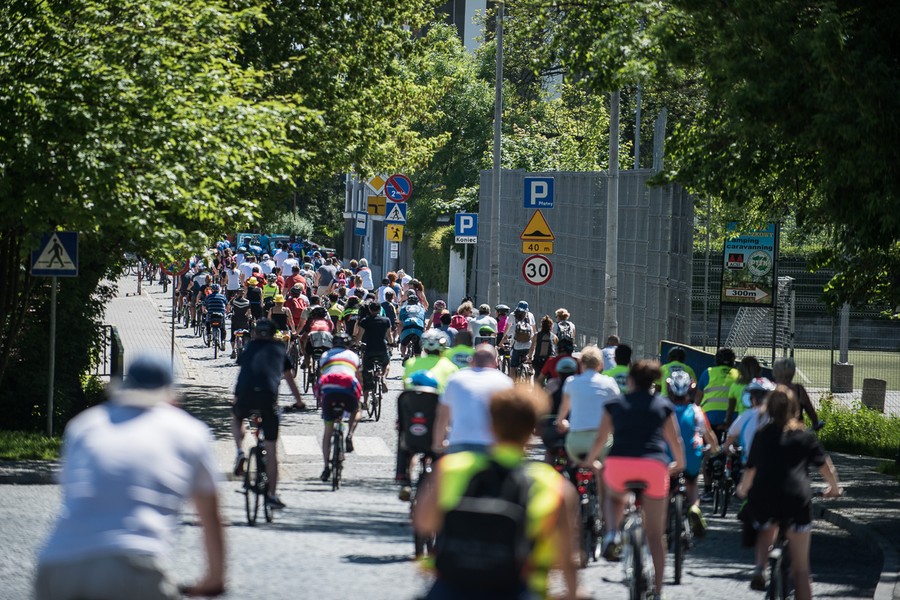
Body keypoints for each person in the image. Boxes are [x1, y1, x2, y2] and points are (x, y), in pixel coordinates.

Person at [35, 356, 225, 600]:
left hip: (57, 565)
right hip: (132, 567)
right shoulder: (189, 431)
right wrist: (214, 579)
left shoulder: (84, 425)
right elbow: (210, 515)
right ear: (171, 395)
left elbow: (73, 494)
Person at [413, 385, 579, 600]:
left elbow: (424, 522)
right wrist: (573, 593)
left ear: (490, 424)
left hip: (453, 586)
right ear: (534, 430)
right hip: (518, 589)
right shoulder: (552, 483)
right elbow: (567, 557)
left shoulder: (451, 467)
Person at [583, 360, 685, 600]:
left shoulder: (615, 404)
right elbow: (675, 441)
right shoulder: (663, 405)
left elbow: (600, 438)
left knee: (614, 497)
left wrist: (591, 461)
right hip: (654, 467)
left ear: (630, 379)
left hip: (619, 465)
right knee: (655, 535)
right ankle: (658, 591)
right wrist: (678, 464)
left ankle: (611, 534)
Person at [736, 385, 842, 598]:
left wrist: (742, 490)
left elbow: (750, 471)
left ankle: (760, 566)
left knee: (764, 523)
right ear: (794, 408)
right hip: (797, 499)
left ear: (769, 409)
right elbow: (825, 466)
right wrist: (834, 488)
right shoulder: (804, 437)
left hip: (765, 498)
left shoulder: (761, 435)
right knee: (801, 569)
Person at [231, 319, 305, 508]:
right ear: (274, 334)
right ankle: (272, 495)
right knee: (271, 450)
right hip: (267, 397)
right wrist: (298, 402)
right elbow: (289, 379)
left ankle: (240, 451)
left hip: (245, 393)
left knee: (237, 416)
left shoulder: (248, 348)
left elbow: (244, 370)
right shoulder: (279, 350)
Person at [667, 370, 720, 538]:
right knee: (692, 483)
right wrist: (716, 451)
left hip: (669, 458)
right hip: (692, 456)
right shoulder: (696, 411)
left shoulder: (664, 410)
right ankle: (695, 507)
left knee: (666, 488)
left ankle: (664, 521)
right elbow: (709, 435)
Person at [433, 344, 513, 454]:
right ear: (496, 363)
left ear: (471, 361)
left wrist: (438, 443)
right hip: (492, 445)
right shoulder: (505, 382)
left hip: (459, 442)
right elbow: (511, 418)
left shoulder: (455, 379)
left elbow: (443, 415)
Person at [317, 333, 363, 481]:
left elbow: (322, 375)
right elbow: (358, 377)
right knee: (357, 409)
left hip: (329, 391)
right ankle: (349, 434)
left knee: (328, 432)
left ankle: (325, 467)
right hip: (348, 387)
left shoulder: (325, 355)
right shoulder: (353, 356)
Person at [354, 300, 394, 409]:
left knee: (366, 375)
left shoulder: (365, 321)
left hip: (369, 350)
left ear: (370, 310)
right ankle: (383, 377)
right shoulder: (386, 320)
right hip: (382, 348)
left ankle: (365, 401)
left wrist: (357, 345)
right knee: (386, 363)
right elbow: (389, 335)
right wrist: (391, 343)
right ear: (380, 310)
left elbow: (359, 336)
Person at [695, 347, 738, 433]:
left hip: (710, 416)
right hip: (733, 417)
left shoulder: (708, 372)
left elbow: (698, 399)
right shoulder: (738, 374)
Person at [773, 357, 820, 427]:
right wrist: (815, 423)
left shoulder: (771, 388)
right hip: (795, 431)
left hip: (776, 431)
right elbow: (811, 412)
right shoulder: (799, 389)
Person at [727, 355, 761, 422]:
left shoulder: (735, 386)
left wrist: (727, 422)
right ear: (758, 369)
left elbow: (730, 410)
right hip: (759, 422)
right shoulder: (762, 385)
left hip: (742, 421)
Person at [399, 292, 427, 358]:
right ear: (417, 302)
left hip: (407, 326)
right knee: (419, 347)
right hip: (418, 327)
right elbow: (424, 322)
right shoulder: (421, 309)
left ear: (408, 301)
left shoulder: (403, 308)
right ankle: (418, 360)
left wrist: (400, 336)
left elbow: (400, 323)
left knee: (403, 344)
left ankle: (404, 355)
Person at [227, 287, 251, 359]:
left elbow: (228, 306)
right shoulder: (247, 302)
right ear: (244, 294)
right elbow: (249, 313)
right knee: (246, 333)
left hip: (235, 320)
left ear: (237, 294)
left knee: (233, 336)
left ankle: (233, 350)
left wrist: (228, 312)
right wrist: (249, 316)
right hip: (244, 320)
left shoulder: (234, 301)